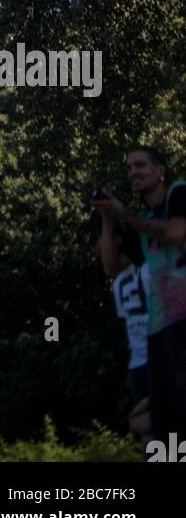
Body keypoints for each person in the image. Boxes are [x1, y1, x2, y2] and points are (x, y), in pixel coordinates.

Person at [94, 147, 186, 442]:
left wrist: (126, 215)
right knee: (164, 426)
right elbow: (112, 266)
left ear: (161, 171)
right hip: (159, 331)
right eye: (129, 168)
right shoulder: (142, 219)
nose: (134, 171)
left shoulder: (179, 193)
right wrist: (109, 221)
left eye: (141, 165)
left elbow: (175, 233)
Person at [91, 206, 151, 436]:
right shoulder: (120, 281)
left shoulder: (146, 266)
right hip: (139, 359)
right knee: (147, 425)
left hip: (157, 353)